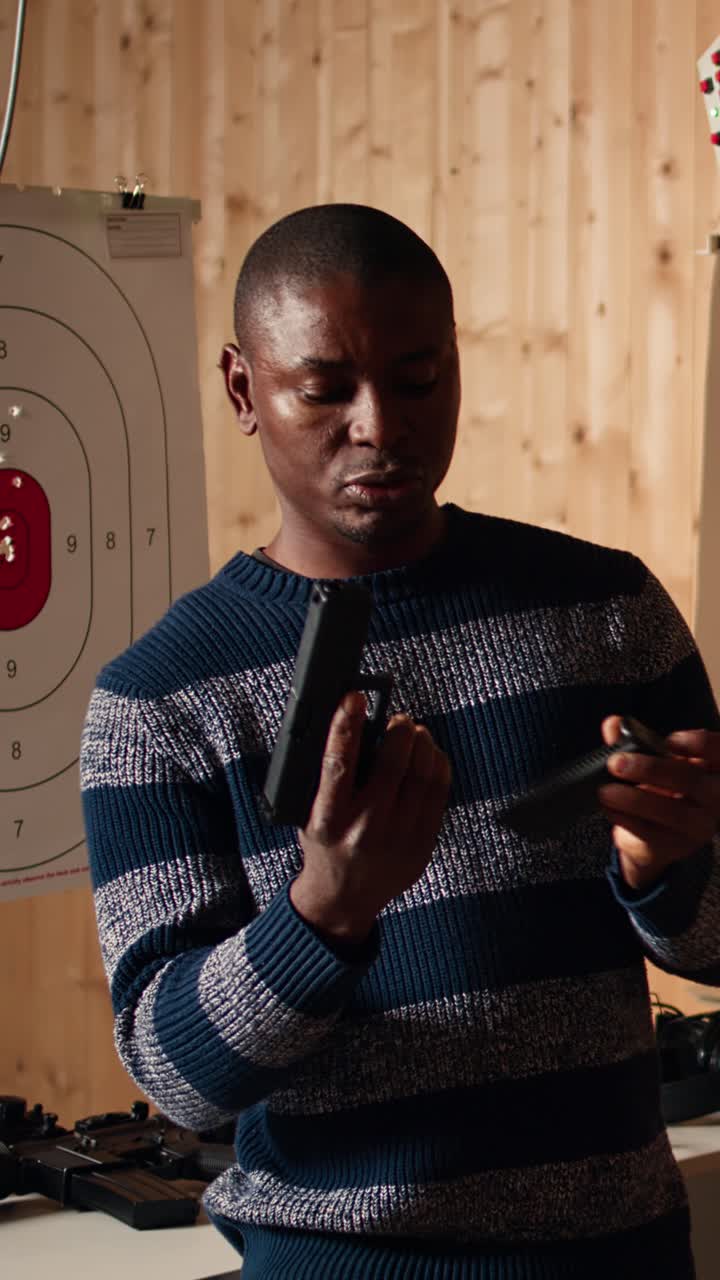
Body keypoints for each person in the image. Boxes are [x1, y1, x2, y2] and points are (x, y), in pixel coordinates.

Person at [80, 204, 720, 1280]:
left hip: (624, 1253)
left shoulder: (606, 609)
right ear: (242, 390)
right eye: (325, 390)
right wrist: (324, 910)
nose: (379, 425)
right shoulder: (158, 702)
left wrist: (673, 868)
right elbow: (178, 1077)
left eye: (418, 380)